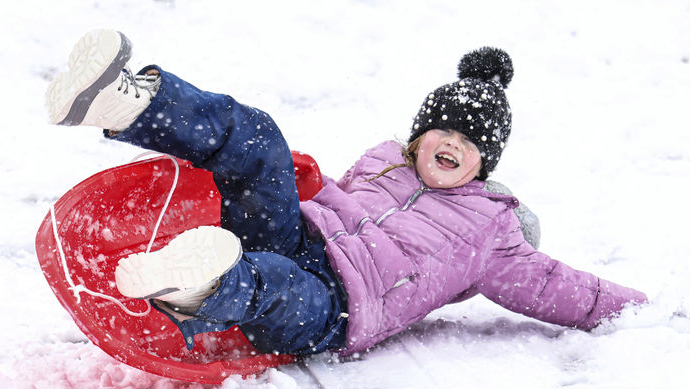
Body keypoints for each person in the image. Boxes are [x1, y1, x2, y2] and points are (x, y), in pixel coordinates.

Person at [46, 29, 647, 356]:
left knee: (271, 285)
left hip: (337, 306)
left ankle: (195, 282)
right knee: (261, 142)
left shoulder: (491, 235)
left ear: (485, 164)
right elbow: (332, 198)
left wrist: (641, 312)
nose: (451, 142)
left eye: (470, 142)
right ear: (417, 135)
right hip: (301, 236)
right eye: (441, 127)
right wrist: (294, 180)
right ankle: (128, 101)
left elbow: (562, 287)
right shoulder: (385, 160)